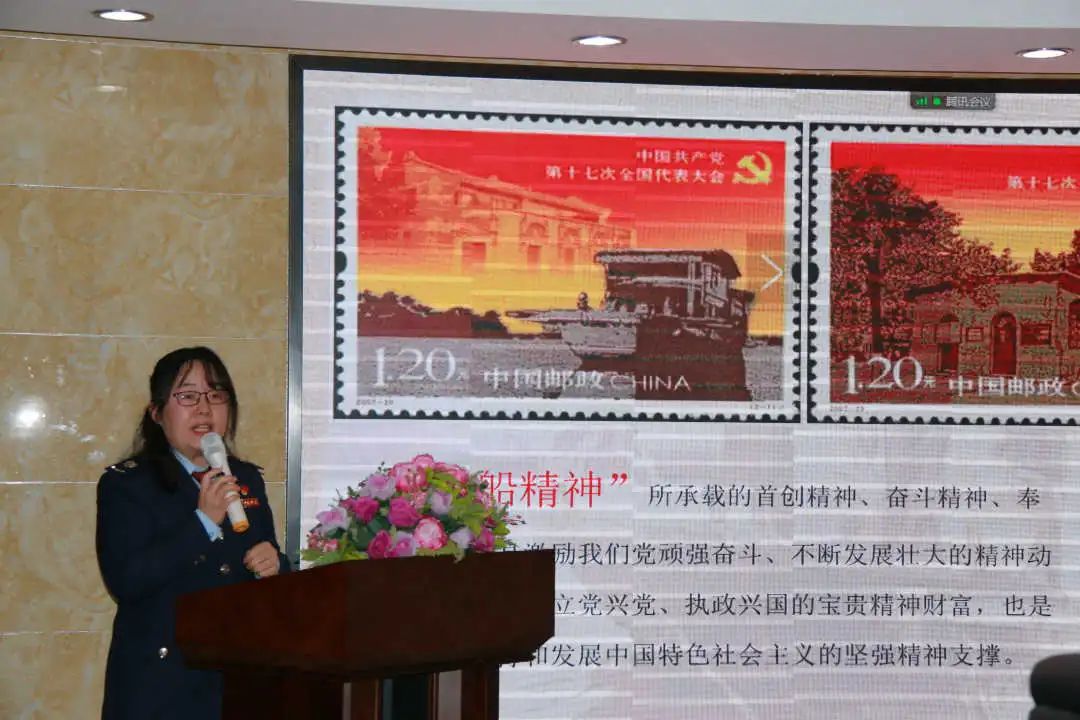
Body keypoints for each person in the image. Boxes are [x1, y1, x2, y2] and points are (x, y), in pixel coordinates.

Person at [96, 346, 290, 720]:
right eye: (187, 396)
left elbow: (264, 564)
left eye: (216, 395)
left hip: (238, 680)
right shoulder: (128, 485)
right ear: (156, 412)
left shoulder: (246, 478)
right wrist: (203, 522)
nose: (204, 409)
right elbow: (126, 580)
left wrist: (275, 564)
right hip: (162, 686)